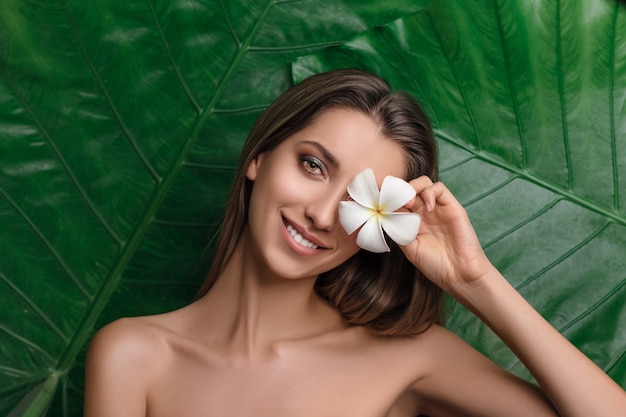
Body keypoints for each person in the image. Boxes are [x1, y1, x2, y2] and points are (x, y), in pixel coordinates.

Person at [84, 69, 626, 417]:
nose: (322, 215)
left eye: (359, 202)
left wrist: (474, 281)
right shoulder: (133, 356)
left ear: (381, 230)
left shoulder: (410, 358)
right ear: (259, 157)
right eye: (313, 164)